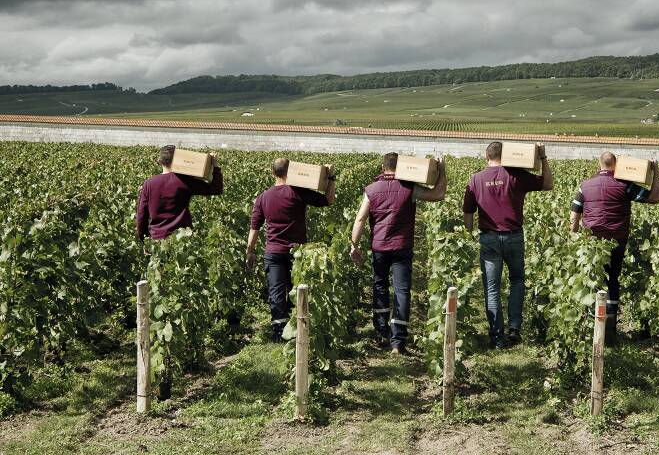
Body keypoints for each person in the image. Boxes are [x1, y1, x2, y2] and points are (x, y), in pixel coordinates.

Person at [350, 153, 447, 354]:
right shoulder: (409, 188)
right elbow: (438, 194)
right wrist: (441, 171)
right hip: (402, 247)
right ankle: (398, 341)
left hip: (379, 247)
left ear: (382, 167)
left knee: (380, 286)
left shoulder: (371, 190)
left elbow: (360, 219)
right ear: (402, 166)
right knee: (402, 291)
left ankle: (381, 330)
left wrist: (354, 245)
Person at [463, 141, 553, 349]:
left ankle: (496, 337)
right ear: (507, 156)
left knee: (492, 288)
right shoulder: (516, 175)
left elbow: (468, 215)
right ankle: (514, 328)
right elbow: (548, 184)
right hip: (514, 237)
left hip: (489, 238)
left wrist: (470, 228)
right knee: (517, 281)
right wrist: (543, 157)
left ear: (487, 157)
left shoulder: (476, 179)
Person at [570, 152, 659, 346]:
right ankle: (610, 329)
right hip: (617, 240)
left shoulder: (585, 185)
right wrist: (655, 172)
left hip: (592, 241)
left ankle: (592, 324)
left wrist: (575, 232)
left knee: (592, 280)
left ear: (599, 164)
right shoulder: (624, 185)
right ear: (617, 165)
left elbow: (575, 212)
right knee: (612, 280)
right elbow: (654, 198)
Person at [246, 158, 335, 342]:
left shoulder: (263, 197)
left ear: (273, 173)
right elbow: (328, 199)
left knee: (277, 292)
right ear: (291, 172)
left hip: (273, 252)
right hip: (298, 253)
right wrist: (331, 177)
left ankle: (280, 333)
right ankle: (300, 329)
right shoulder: (298, 192)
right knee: (298, 290)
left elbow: (254, 227)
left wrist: (250, 250)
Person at [137, 144, 224, 248]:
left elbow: (141, 216)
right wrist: (215, 165)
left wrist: (144, 242)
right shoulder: (184, 180)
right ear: (179, 160)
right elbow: (216, 189)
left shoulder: (149, 183)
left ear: (159, 162)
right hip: (182, 241)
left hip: (157, 241)